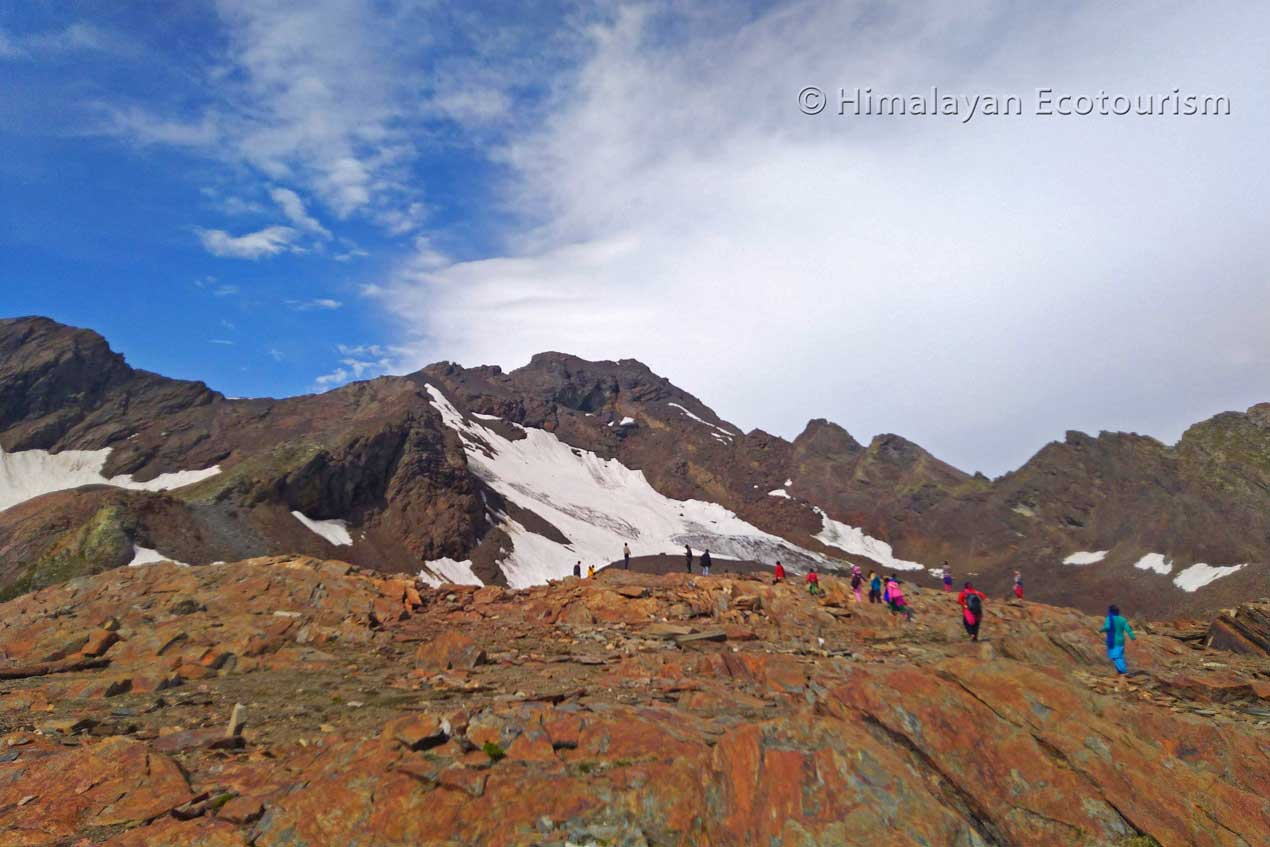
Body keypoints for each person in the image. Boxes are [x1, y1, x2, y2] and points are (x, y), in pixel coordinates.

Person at [1100, 604, 1137, 674]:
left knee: (1115, 656)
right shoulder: (1122, 619)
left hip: (1113, 641)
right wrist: (1133, 637)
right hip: (1121, 641)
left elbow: (1107, 627)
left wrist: (1101, 630)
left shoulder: (1109, 618)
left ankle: (1123, 671)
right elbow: (1128, 630)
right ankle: (1120, 671)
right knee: (1120, 656)